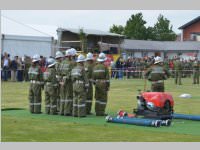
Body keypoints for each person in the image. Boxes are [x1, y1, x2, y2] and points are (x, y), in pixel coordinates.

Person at [59, 49, 73, 116]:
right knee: (68, 96)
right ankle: (67, 111)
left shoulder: (61, 63)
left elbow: (58, 73)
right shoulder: (71, 63)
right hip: (68, 81)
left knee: (62, 96)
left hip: (61, 80)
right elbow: (71, 73)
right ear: (70, 56)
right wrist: (65, 80)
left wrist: (60, 81)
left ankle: (61, 111)